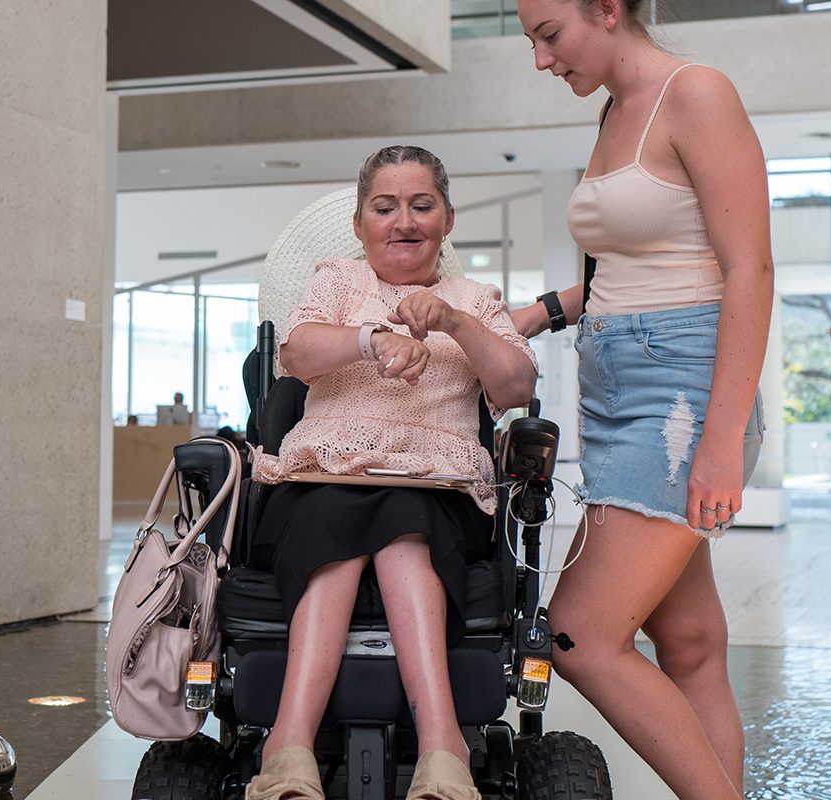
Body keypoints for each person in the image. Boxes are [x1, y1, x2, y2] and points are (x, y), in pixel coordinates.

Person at [501, 2, 769, 797]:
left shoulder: (697, 93)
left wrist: (720, 440)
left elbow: (748, 270)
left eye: (550, 36)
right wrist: (538, 313)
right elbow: (619, 271)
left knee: (579, 634)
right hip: (618, 394)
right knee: (686, 643)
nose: (543, 61)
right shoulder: (617, 111)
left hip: (681, 399)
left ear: (609, 11)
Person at [246, 145, 537, 800]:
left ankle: (443, 747)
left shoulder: (476, 299)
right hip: (325, 476)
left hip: (435, 485)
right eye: (385, 207)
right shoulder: (336, 283)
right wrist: (370, 340)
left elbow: (515, 384)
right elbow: (294, 354)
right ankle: (289, 746)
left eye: (420, 205)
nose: (403, 221)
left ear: (447, 218)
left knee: (405, 522)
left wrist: (456, 324)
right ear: (360, 225)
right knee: (335, 519)